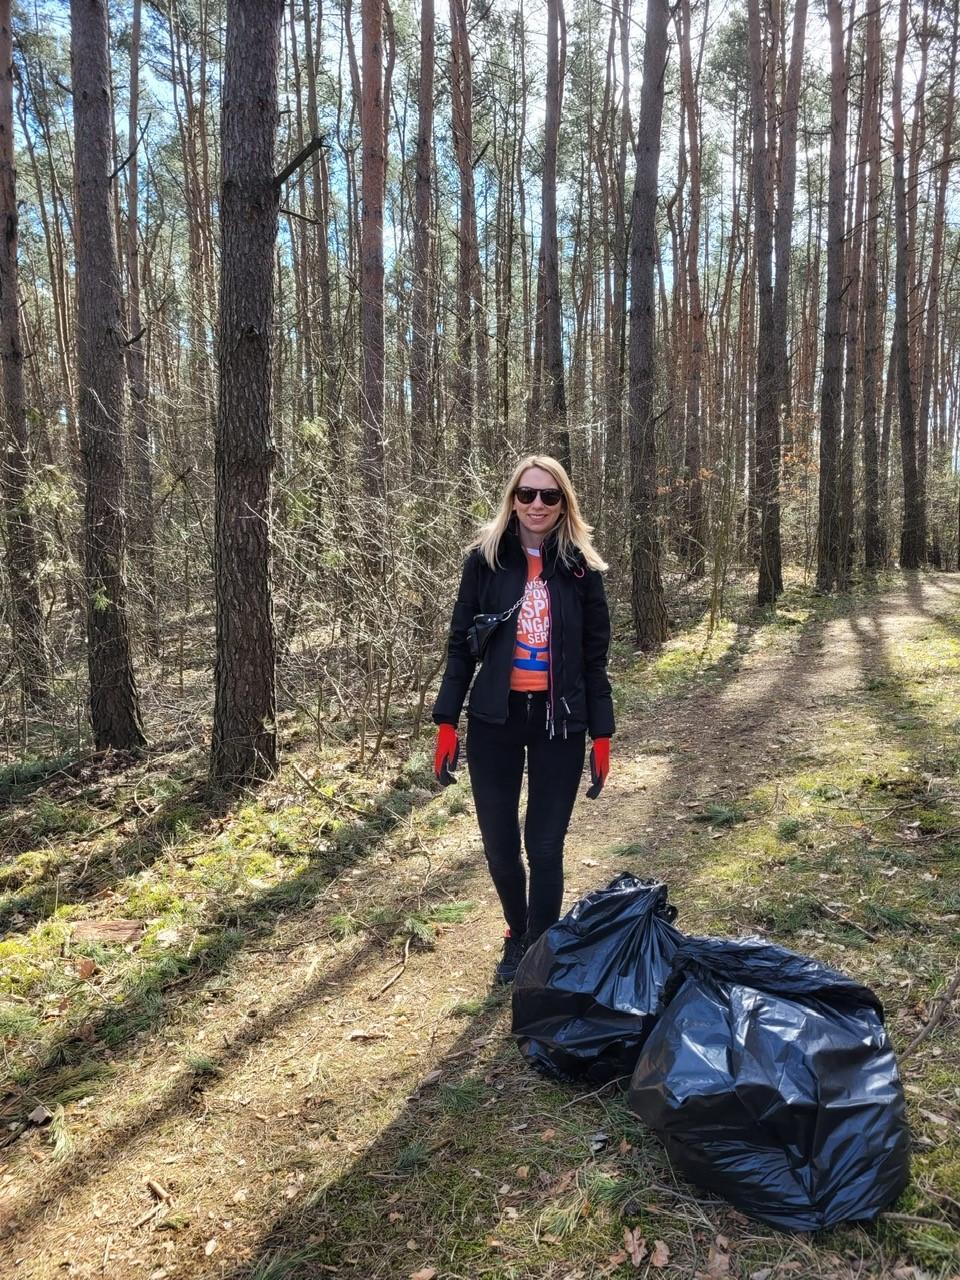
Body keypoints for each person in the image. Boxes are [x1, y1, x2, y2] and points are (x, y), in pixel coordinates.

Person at [432, 455, 614, 983]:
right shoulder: (484, 561)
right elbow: (460, 647)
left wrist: (601, 733)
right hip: (495, 719)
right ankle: (518, 932)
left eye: (549, 496)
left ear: (564, 504)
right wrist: (447, 721)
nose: (537, 505)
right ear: (513, 498)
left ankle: (542, 944)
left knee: (545, 845)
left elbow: (595, 656)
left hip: (560, 722)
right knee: (500, 845)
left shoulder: (581, 567)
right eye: (528, 494)